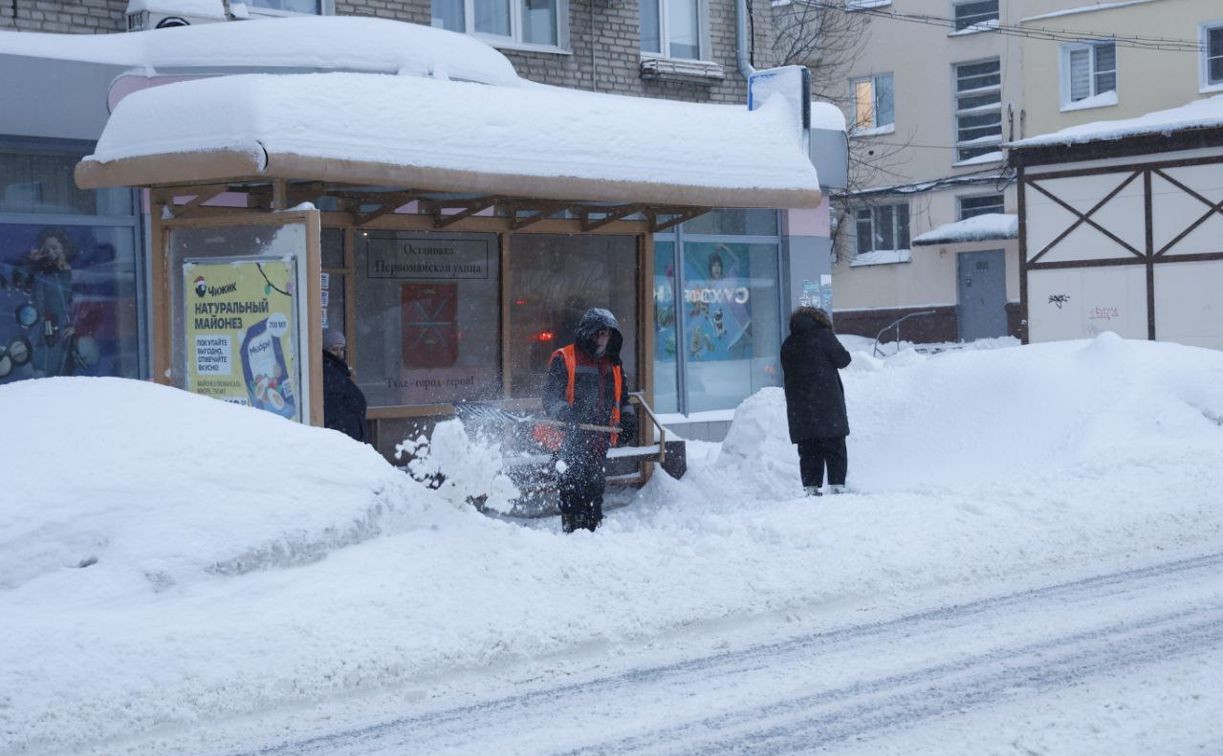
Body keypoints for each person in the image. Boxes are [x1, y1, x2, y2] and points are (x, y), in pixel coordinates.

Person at [542, 308, 637, 533]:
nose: (603, 339)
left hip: (599, 438)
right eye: (600, 333)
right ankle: (572, 532)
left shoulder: (614, 363)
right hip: (569, 438)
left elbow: (623, 398)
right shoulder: (566, 358)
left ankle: (593, 530)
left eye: (607, 334)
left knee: (594, 487)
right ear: (589, 333)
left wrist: (628, 418)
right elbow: (551, 396)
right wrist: (565, 414)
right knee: (571, 488)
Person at [780, 307, 852, 496]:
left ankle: (811, 487)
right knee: (834, 443)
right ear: (820, 320)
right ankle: (837, 484)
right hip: (827, 401)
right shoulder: (824, 337)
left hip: (800, 405)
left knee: (809, 446)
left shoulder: (788, 343)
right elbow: (843, 360)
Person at [321, 329, 368, 443]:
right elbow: (333, 408)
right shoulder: (329, 371)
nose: (339, 353)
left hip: (348, 433)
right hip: (343, 435)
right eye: (334, 349)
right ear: (325, 350)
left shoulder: (337, 370)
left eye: (341, 349)